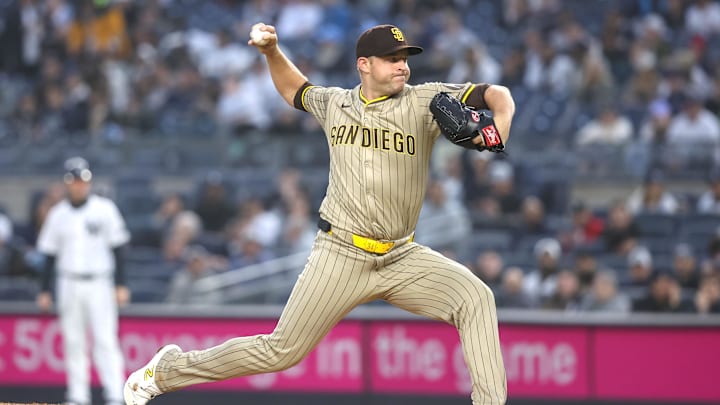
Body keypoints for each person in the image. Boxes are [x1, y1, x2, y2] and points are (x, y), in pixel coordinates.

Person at [124, 23, 514, 405]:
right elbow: (296, 89)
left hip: (401, 255)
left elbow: (498, 94)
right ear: (364, 64)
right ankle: (166, 372)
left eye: (405, 58)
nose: (402, 66)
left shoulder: (424, 100)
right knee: (280, 351)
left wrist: (496, 131)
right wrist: (272, 52)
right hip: (341, 252)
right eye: (392, 59)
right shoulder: (336, 103)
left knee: (476, 298)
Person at [36, 157, 130, 405]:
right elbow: (48, 254)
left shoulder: (104, 209)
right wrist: (45, 289)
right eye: (74, 181)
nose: (79, 185)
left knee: (105, 339)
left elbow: (119, 248)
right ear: (67, 184)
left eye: (83, 181)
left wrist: (121, 284)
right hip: (69, 282)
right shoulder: (58, 214)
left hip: (100, 282)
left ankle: (115, 393)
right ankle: (78, 396)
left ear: (89, 182)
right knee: (73, 341)